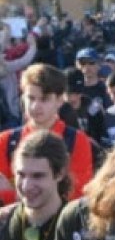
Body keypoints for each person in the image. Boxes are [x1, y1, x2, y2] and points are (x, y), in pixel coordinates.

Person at [0, 63, 94, 205]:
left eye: (44, 99)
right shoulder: (5, 141)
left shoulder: (77, 140)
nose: (35, 106)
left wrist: (14, 195)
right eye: (31, 98)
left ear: (60, 100)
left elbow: (76, 196)